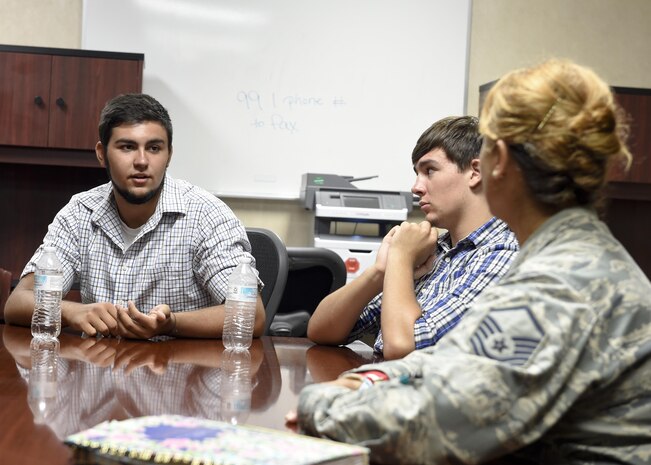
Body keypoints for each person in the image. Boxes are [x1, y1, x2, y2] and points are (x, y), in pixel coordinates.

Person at [289, 59, 651, 464]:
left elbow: (433, 425)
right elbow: (454, 358)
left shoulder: (559, 280)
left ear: (498, 163)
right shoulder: (569, 255)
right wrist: (370, 379)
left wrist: (320, 404)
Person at [5, 93, 265, 340]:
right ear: (101, 154)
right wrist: (72, 312)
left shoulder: (207, 215)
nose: (142, 161)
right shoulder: (79, 213)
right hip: (95, 376)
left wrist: (172, 323)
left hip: (180, 376)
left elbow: (251, 315)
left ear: (169, 155)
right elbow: (17, 302)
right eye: (127, 147)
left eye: (154, 148)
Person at [307, 116, 519, 359]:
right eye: (417, 173)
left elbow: (401, 346)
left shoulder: (503, 255)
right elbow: (321, 330)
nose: (416, 187)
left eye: (430, 170)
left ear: (475, 172)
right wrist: (379, 272)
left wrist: (400, 256)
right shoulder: (436, 251)